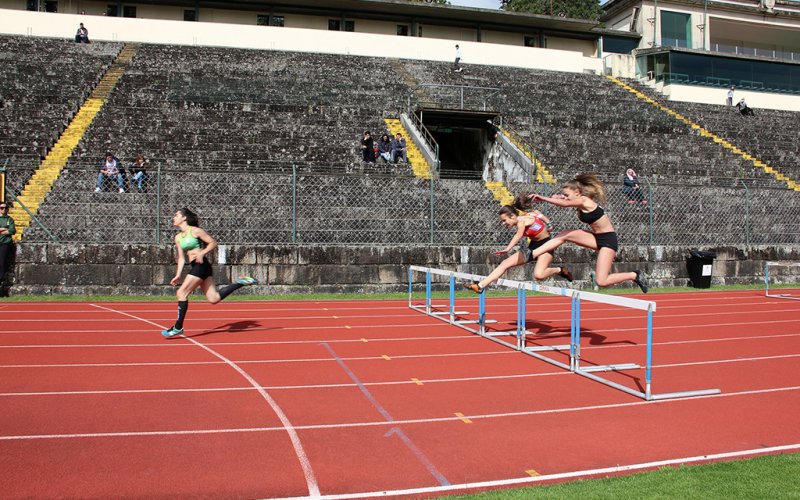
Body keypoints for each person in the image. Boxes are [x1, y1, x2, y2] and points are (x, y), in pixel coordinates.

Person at [525, 174, 649, 293]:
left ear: (577, 193)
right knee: (565, 234)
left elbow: (566, 204)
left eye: (567, 194)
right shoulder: (579, 202)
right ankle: (532, 254)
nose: (565, 197)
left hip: (608, 240)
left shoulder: (584, 200)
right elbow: (567, 201)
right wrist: (559, 197)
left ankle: (635, 275)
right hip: (595, 237)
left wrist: (544, 198)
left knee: (602, 281)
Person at [161, 208, 258, 337]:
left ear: (184, 218)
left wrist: (202, 252)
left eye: (176, 215)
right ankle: (240, 283)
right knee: (214, 298)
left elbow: (213, 243)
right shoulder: (178, 237)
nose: (174, 217)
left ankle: (178, 327)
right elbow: (181, 258)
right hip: (196, 266)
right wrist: (178, 274)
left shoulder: (195, 231)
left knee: (181, 293)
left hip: (201, 265)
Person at [464, 196, 573, 293]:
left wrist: (507, 249)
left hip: (546, 245)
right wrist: (548, 224)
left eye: (504, 220)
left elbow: (518, 235)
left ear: (512, 216)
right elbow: (538, 214)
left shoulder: (521, 222)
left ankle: (560, 270)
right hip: (533, 246)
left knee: (539, 275)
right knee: (505, 263)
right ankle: (480, 286)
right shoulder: (527, 215)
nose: (503, 224)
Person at [0, 202, 16, 284]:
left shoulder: (9, 219)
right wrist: (5, 229)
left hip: (4, 243)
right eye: (2, 208)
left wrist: (2, 229)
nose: (4, 209)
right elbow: (8, 230)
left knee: (2, 263)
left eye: (6, 208)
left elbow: (12, 231)